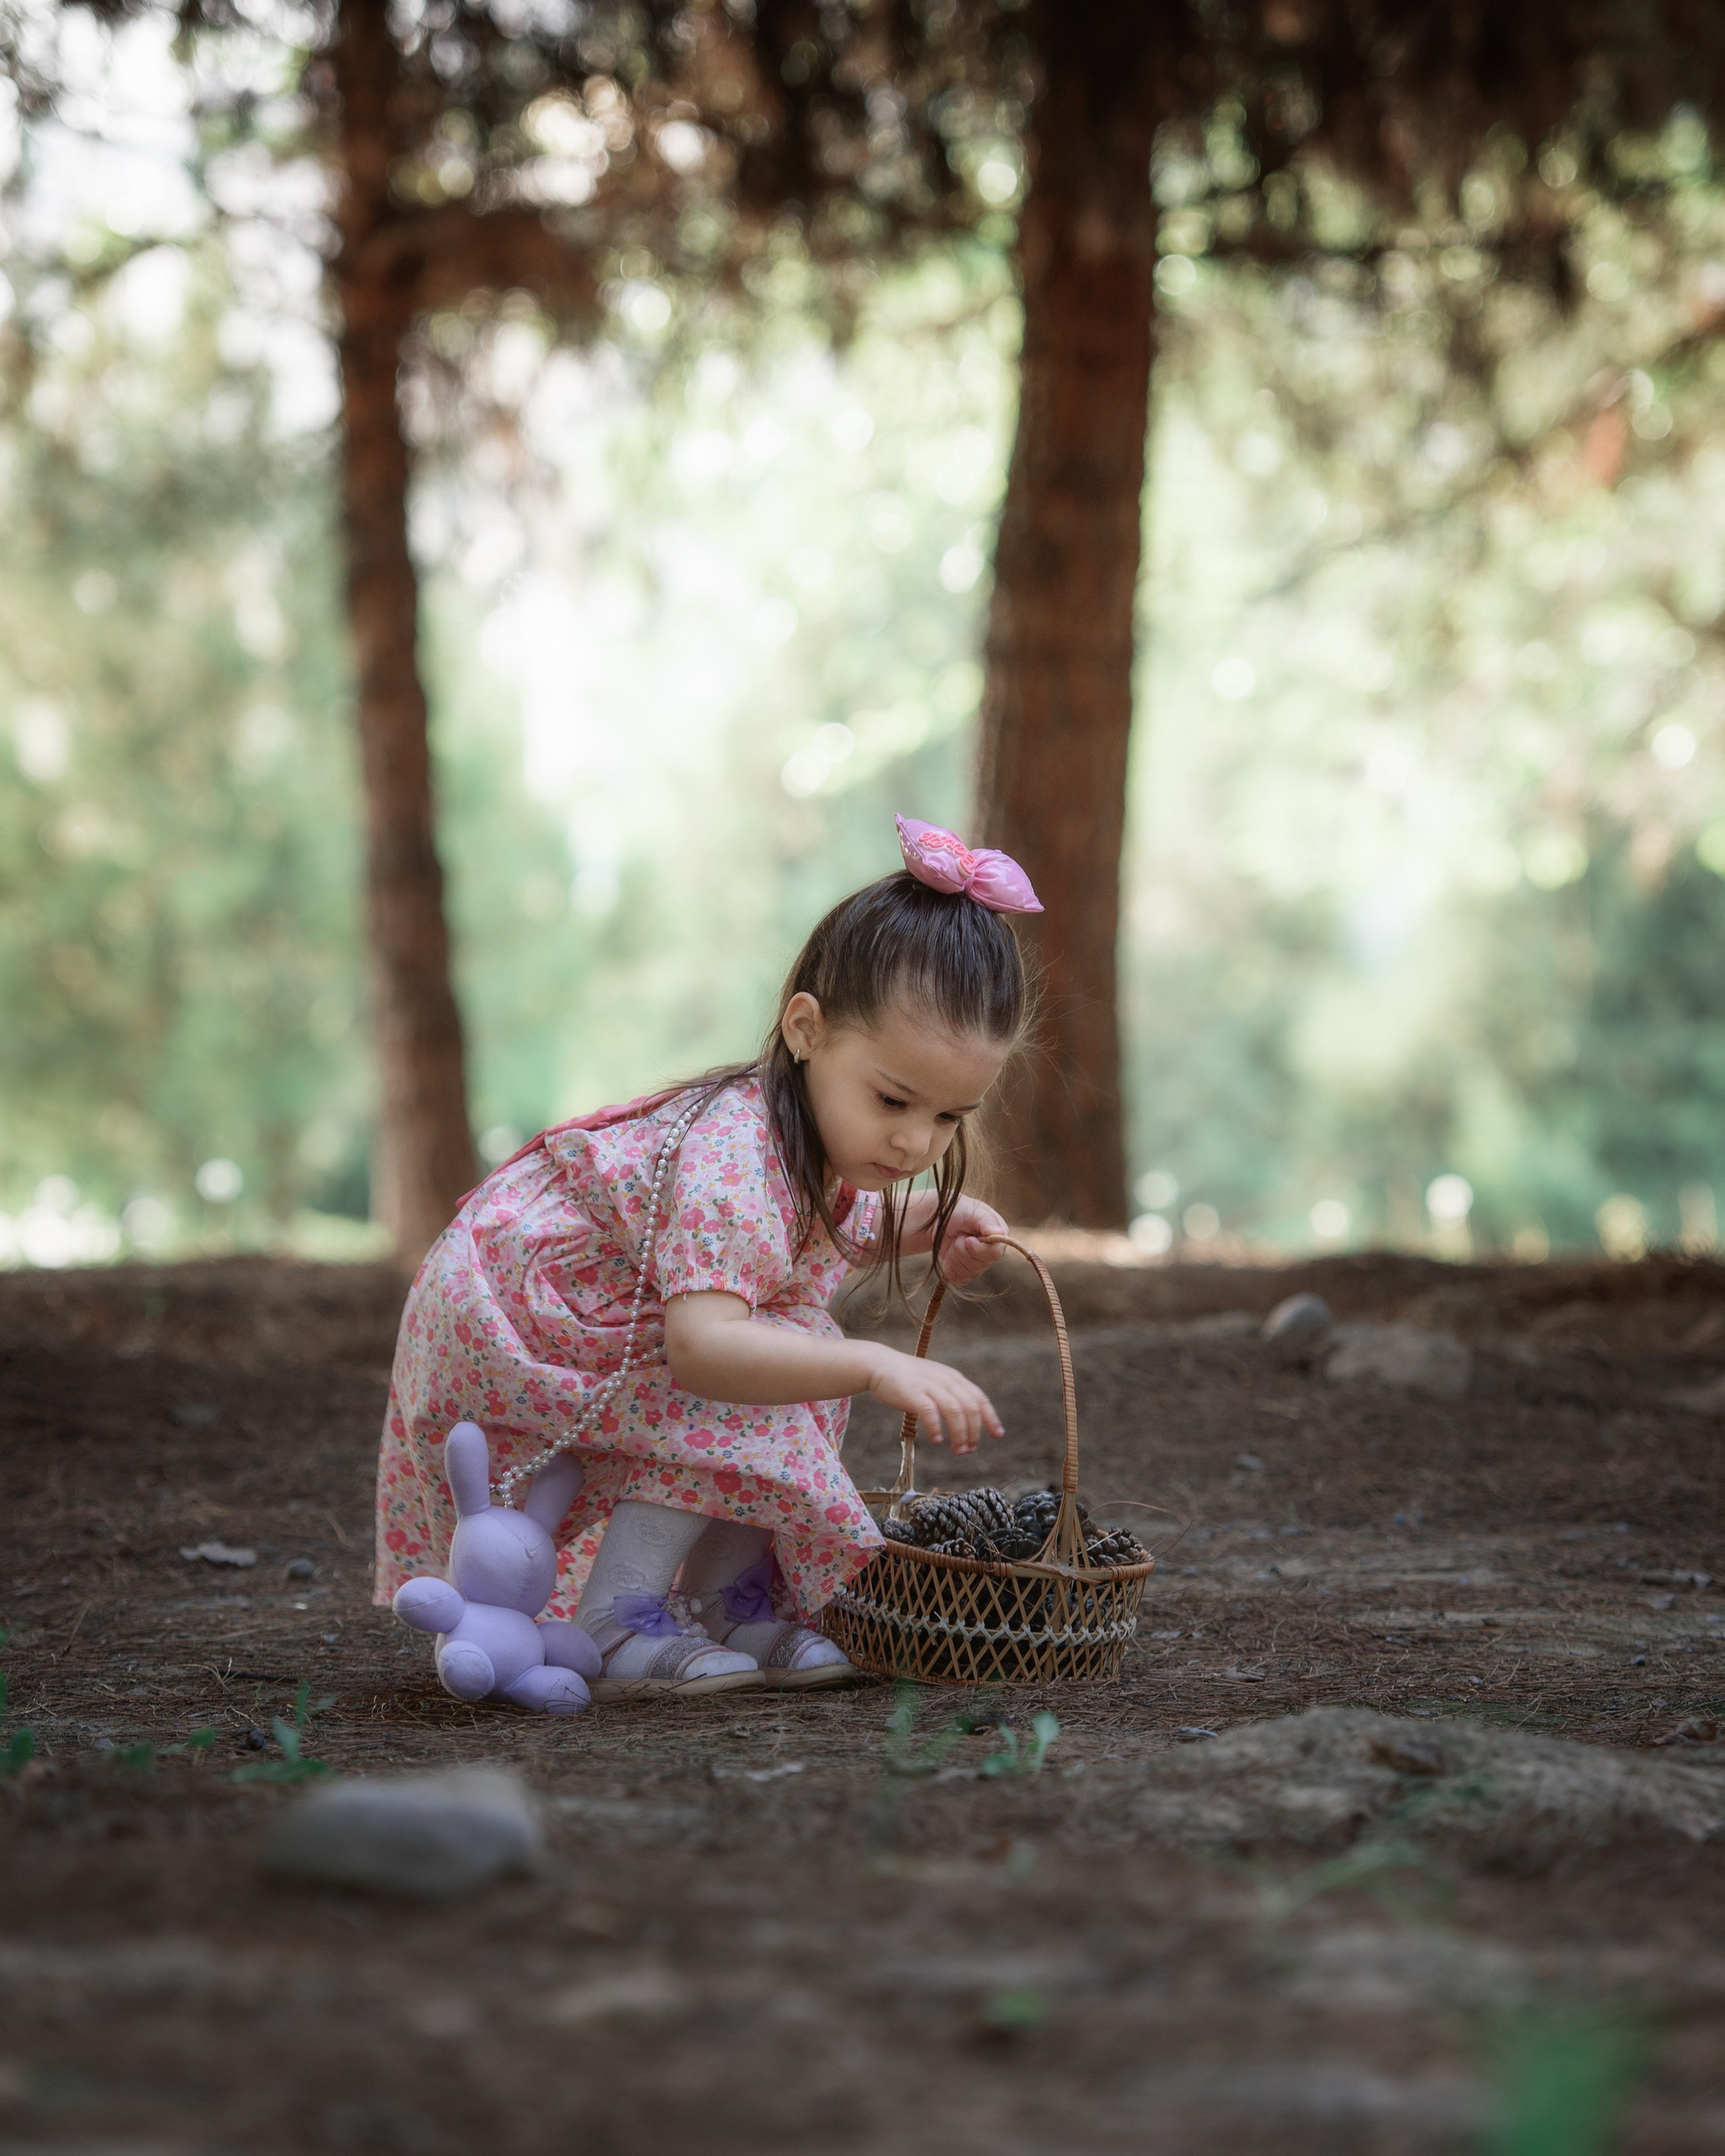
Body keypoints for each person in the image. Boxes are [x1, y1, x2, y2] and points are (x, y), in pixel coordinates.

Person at [374, 814, 1040, 1700]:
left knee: (788, 1350)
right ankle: (621, 1620)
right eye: (893, 1099)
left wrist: (916, 1225)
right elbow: (704, 1344)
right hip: (521, 1311)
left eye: (951, 1116)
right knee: (755, 1366)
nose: (918, 1140)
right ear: (806, 1029)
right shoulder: (734, 1156)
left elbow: (791, 1246)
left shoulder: (805, 1136)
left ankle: (733, 1603)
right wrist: (871, 1364)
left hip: (602, 1301)